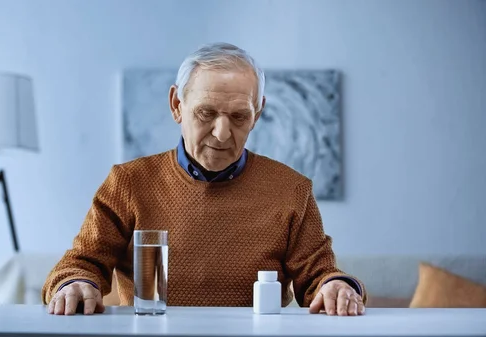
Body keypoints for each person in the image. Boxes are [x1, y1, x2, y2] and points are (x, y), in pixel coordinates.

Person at [42, 42, 367, 317]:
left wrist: (335, 287)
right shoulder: (128, 183)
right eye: (206, 113)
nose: (222, 133)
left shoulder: (292, 190)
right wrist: (75, 284)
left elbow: (318, 276)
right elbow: (81, 264)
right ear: (176, 106)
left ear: (258, 114)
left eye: (240, 116)